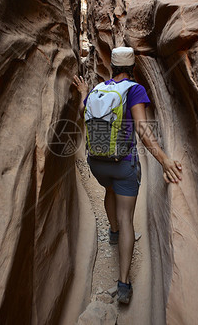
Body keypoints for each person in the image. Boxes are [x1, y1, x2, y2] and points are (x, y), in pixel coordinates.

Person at [73, 46, 182, 304]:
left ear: (111, 67)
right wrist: (165, 160)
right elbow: (143, 131)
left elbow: (83, 114)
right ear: (133, 69)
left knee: (108, 190)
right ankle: (123, 284)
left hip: (97, 163)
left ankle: (112, 231)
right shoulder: (134, 90)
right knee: (127, 218)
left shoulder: (99, 90)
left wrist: (83, 94)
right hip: (122, 164)